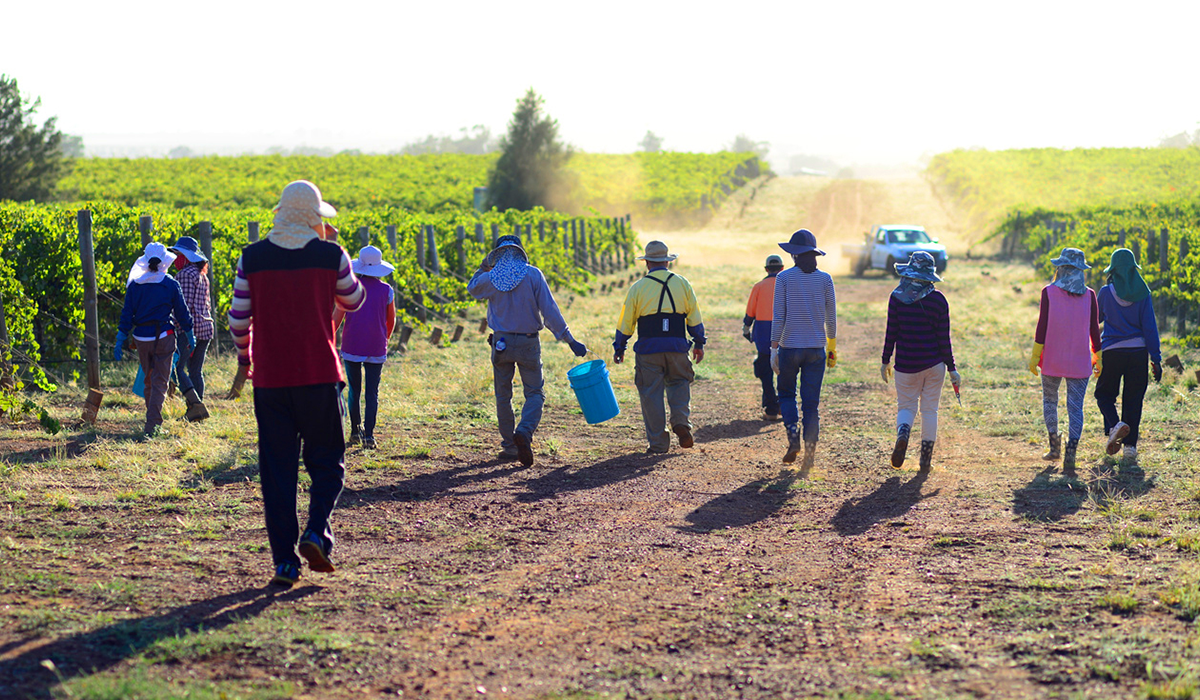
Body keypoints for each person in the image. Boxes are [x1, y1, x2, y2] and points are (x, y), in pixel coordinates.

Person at [227, 180, 365, 588]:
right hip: (319, 373)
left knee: (277, 471)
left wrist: (246, 357)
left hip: (270, 379)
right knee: (328, 461)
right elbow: (354, 300)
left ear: (281, 213)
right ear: (314, 217)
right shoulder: (330, 255)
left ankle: (284, 563)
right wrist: (335, 254)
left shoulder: (252, 258)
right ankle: (316, 530)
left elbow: (237, 320)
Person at [468, 234, 587, 466]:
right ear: (520, 251)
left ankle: (510, 446)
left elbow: (472, 288)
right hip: (528, 342)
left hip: (500, 343)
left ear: (498, 255)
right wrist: (569, 339)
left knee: (503, 395)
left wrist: (483, 266)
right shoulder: (532, 274)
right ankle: (524, 431)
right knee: (534, 393)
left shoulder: (491, 277)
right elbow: (550, 311)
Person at [613, 240, 706, 454]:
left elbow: (626, 322)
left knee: (650, 393)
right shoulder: (683, 283)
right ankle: (681, 421)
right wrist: (699, 343)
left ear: (647, 263)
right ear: (667, 261)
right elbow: (694, 318)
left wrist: (620, 346)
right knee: (680, 382)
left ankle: (658, 444)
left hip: (648, 350)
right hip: (677, 347)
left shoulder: (637, 288)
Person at [882, 251, 960, 472]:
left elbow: (891, 332)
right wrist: (952, 368)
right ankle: (925, 460)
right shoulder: (939, 300)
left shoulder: (896, 297)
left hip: (906, 365)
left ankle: (903, 432)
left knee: (906, 406)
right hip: (934, 366)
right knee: (929, 411)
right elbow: (944, 339)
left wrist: (885, 360)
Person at [1027, 248, 1100, 473]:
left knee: (1050, 401)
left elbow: (1042, 327)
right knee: (1075, 408)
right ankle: (1071, 454)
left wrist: (1035, 355)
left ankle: (1054, 448)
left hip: (1052, 359)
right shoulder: (1090, 295)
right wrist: (1098, 356)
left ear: (1060, 268)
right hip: (1080, 362)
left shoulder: (1048, 292)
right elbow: (1094, 331)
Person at [771, 229, 836, 469]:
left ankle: (792, 437)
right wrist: (832, 346)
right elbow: (832, 317)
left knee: (787, 394)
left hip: (789, 347)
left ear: (794, 255)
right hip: (816, 349)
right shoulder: (825, 279)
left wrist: (772, 349)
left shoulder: (784, 278)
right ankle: (809, 452)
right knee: (811, 403)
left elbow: (779, 317)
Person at [116, 242, 195, 438]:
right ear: (164, 261)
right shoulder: (170, 284)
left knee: (150, 380)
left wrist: (120, 339)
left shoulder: (135, 285)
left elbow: (126, 315)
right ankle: (152, 426)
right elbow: (182, 313)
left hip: (142, 339)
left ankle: (153, 421)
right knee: (160, 381)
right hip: (164, 337)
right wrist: (190, 334)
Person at [1095, 248, 1162, 463]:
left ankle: (1115, 426)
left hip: (1113, 352)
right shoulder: (1143, 293)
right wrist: (1156, 358)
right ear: (1134, 270)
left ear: (1113, 271)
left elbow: (1095, 320)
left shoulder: (1105, 293)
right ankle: (1130, 448)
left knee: (1104, 395)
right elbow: (1150, 327)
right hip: (1138, 353)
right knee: (1133, 400)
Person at [334, 245, 397, 450]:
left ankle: (354, 431)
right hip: (376, 345)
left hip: (352, 344)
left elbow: (336, 320)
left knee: (354, 389)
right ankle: (369, 436)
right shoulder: (387, 290)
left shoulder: (348, 289)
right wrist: (383, 339)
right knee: (372, 392)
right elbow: (391, 321)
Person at [168, 236, 212, 421]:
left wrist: (177, 329)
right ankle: (197, 412)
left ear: (186, 257)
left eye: (178, 254)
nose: (175, 258)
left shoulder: (185, 275)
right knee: (195, 371)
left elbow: (183, 308)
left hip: (191, 330)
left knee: (177, 367)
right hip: (206, 328)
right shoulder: (201, 274)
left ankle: (195, 405)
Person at [744, 254, 784, 421]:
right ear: (782, 268)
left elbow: (750, 312)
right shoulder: (787, 285)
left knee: (765, 370)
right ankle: (785, 404)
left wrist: (746, 328)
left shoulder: (759, 286)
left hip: (763, 332)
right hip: (784, 331)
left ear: (766, 269)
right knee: (785, 369)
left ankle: (771, 408)